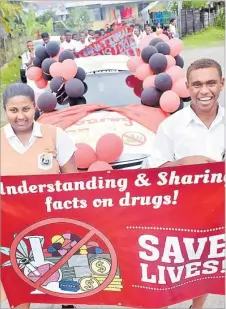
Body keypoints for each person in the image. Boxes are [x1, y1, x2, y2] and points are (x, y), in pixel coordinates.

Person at [145, 58, 224, 308]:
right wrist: (183, 164)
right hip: (179, 212)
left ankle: (196, 306)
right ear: (188, 88)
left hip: (219, 212)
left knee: (209, 265)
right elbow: (152, 169)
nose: (204, 90)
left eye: (211, 83)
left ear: (222, 84)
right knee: (171, 268)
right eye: (197, 84)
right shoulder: (171, 126)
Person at [0, 83, 77, 309]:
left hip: (54, 226)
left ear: (35, 107)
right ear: (5, 110)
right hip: (12, 229)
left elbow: (73, 183)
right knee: (20, 289)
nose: (21, 116)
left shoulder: (55, 136)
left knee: (63, 286)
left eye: (26, 109)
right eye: (13, 111)